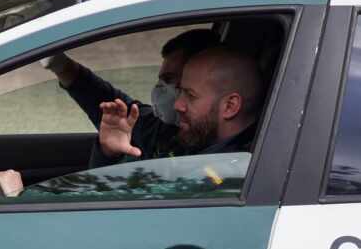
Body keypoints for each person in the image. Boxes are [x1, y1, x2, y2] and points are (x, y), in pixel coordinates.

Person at [0, 28, 216, 196]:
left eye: (171, 82)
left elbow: (129, 214)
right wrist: (58, 63)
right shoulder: (161, 129)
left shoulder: (219, 166)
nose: (160, 90)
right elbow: (100, 98)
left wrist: (13, 201)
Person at [97, 45, 263, 162]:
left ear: (230, 106)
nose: (177, 105)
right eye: (180, 91)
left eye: (190, 95)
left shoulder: (232, 177)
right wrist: (109, 153)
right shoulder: (195, 139)